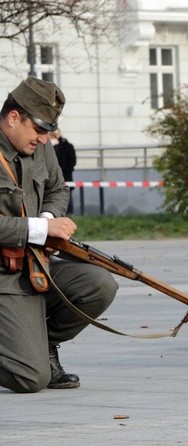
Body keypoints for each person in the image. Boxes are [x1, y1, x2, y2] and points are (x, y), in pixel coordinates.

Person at [0, 77, 118, 393]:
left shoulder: (40, 148)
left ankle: (40, 347)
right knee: (30, 379)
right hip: (3, 279)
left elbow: (57, 188)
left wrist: (50, 216)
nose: (44, 139)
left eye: (48, 131)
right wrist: (40, 228)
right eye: (39, 130)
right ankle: (24, 353)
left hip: (35, 266)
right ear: (14, 118)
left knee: (99, 285)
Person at [49, 129, 76, 215]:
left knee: (61, 196)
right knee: (67, 196)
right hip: (65, 176)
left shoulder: (48, 147)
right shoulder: (68, 146)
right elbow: (73, 162)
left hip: (60, 176)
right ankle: (69, 214)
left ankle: (65, 214)